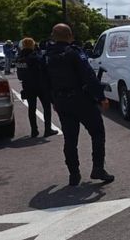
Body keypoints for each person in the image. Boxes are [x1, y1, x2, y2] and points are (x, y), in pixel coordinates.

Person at [45, 23, 114, 186]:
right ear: (70, 36)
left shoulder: (47, 55)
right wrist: (101, 97)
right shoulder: (74, 53)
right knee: (97, 133)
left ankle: (74, 174)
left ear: (54, 37)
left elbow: (45, 81)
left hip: (61, 101)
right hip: (80, 100)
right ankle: (98, 168)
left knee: (70, 139)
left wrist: (54, 101)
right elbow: (89, 76)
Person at [16, 38, 58, 138]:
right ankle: (48, 130)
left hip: (27, 86)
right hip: (41, 85)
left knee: (31, 109)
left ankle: (34, 131)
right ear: (32, 45)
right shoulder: (35, 57)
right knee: (46, 107)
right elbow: (45, 69)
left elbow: (20, 75)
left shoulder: (19, 58)